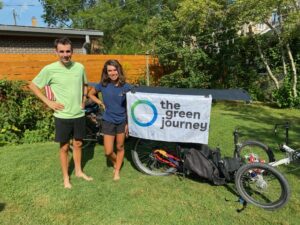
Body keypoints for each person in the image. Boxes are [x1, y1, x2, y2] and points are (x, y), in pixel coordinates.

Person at [28, 37, 93, 189]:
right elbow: (33, 86)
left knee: (78, 144)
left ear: (72, 51)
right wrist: (48, 102)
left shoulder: (79, 67)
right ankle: (66, 178)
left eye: (68, 51)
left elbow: (85, 84)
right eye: (62, 51)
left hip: (78, 114)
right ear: (56, 52)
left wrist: (83, 99)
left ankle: (78, 171)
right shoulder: (49, 69)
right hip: (62, 116)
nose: (65, 55)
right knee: (64, 147)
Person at [88, 59, 131, 181]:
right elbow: (90, 94)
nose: (112, 73)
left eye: (114, 70)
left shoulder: (126, 86)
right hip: (108, 120)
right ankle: (117, 162)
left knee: (120, 146)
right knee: (108, 151)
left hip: (122, 120)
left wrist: (128, 123)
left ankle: (117, 170)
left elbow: (131, 105)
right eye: (109, 71)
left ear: (119, 70)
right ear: (106, 72)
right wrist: (100, 102)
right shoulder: (103, 84)